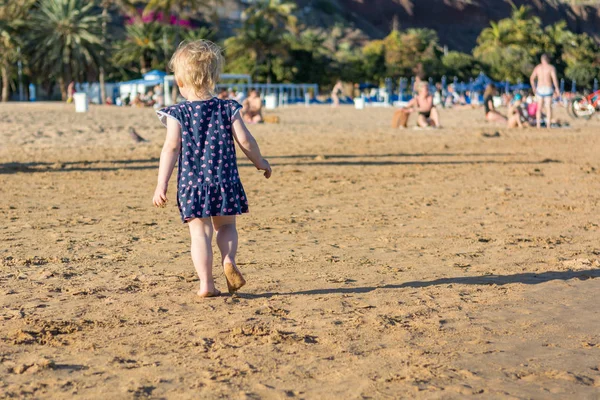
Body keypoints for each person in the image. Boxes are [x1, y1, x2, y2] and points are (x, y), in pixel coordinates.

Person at [152, 40, 272, 298]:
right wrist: (260, 162)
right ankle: (228, 259)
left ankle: (206, 284)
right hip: (224, 181)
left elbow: (170, 149)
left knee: (200, 233)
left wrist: (161, 184)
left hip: (192, 185)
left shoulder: (177, 113)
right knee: (226, 226)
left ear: (180, 83)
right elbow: (245, 140)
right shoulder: (228, 107)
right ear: (215, 77)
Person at [530, 54, 559, 129]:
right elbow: (554, 80)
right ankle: (548, 125)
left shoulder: (538, 68)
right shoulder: (551, 68)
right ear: (548, 60)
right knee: (548, 107)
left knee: (539, 108)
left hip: (539, 88)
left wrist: (534, 88)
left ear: (541, 60)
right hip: (548, 88)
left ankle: (538, 125)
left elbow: (532, 78)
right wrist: (557, 89)